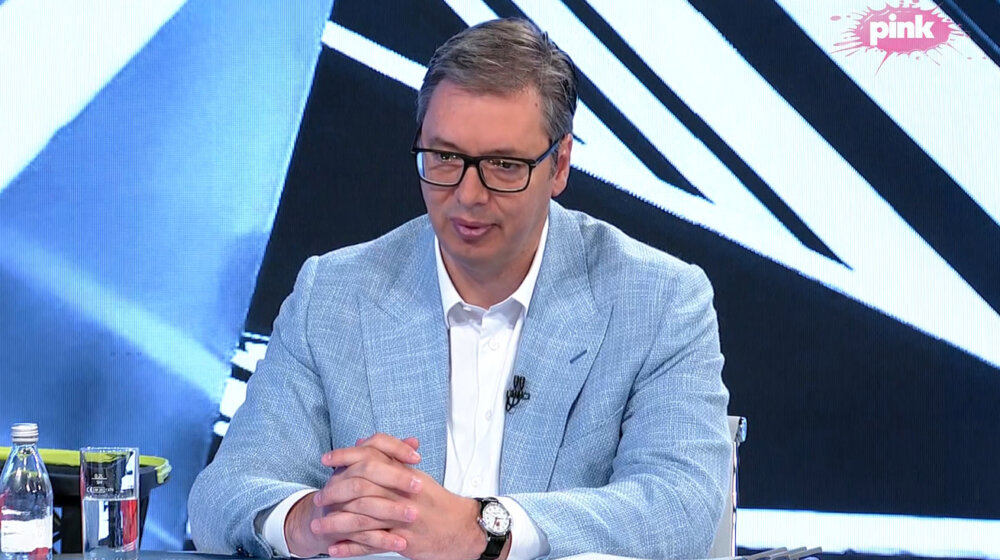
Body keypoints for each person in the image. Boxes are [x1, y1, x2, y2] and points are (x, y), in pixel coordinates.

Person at [189, 17, 730, 560]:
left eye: (503, 165)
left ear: (560, 164)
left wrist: (485, 529)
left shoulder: (658, 301)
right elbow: (221, 497)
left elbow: (678, 506)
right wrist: (310, 518)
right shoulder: (333, 295)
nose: (468, 194)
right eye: (445, 157)